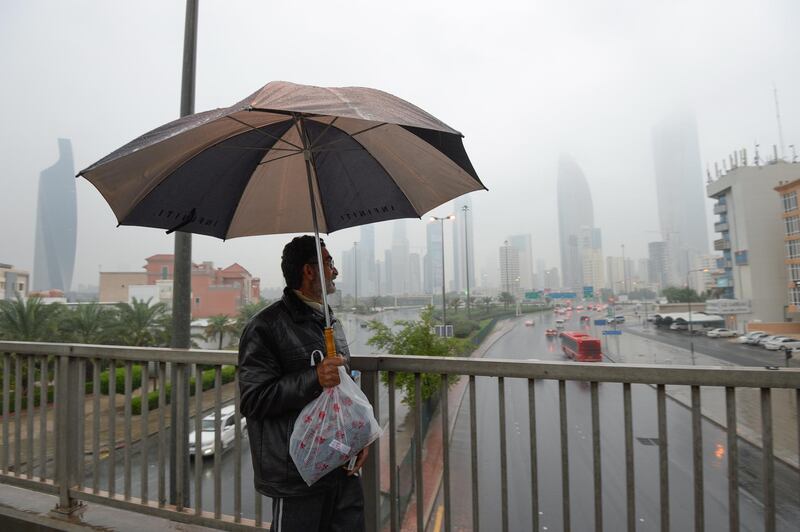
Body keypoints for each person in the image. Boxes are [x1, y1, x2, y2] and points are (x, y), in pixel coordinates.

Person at [239, 236, 369, 531]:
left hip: (342, 465)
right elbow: (253, 399)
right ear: (309, 271)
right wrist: (313, 378)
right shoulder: (265, 327)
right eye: (329, 262)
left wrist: (360, 438)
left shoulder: (328, 321)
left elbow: (344, 389)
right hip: (298, 473)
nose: (334, 271)